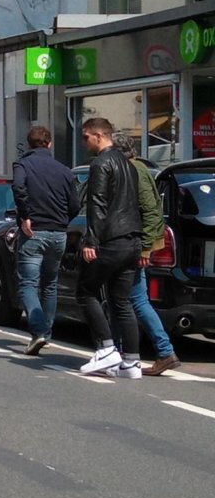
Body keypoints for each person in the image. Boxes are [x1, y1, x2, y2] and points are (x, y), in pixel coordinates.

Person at [111, 132, 181, 376]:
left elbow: (151, 210)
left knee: (132, 300)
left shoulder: (134, 171)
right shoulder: (136, 168)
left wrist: (146, 247)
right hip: (134, 243)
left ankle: (162, 351)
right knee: (125, 299)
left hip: (134, 244)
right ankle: (121, 352)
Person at [78, 117, 143, 378]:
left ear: (99, 135)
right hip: (132, 240)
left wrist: (91, 240)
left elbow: (97, 204)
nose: (85, 142)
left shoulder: (101, 163)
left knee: (85, 291)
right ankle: (132, 362)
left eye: (86, 137)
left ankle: (106, 349)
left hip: (111, 239)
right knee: (121, 301)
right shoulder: (130, 166)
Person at [11, 125, 80, 355]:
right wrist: (63, 221)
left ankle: (38, 331)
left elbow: (18, 187)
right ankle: (46, 334)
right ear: (49, 144)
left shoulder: (23, 165)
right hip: (59, 233)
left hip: (34, 232)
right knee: (50, 285)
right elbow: (75, 204)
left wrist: (25, 216)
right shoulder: (64, 170)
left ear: (29, 144)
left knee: (28, 284)